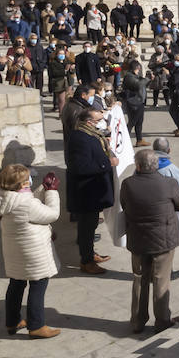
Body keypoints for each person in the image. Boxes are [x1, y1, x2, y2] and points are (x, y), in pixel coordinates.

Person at [121, 148, 179, 333]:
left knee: (140, 280)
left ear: (138, 166)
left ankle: (137, 321)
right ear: (156, 165)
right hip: (163, 241)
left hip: (138, 239)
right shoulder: (169, 183)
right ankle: (162, 321)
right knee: (161, 280)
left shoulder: (128, 184)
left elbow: (124, 204)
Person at [0, 163, 62, 338]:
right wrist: (52, 191)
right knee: (38, 283)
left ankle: (13, 321)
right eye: (26, 180)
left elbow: (26, 202)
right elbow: (52, 213)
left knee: (16, 284)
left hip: (14, 249)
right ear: (22, 185)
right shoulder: (27, 203)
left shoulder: (0, 197)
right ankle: (37, 325)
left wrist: (41, 189)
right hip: (33, 250)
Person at [65, 107, 116, 275]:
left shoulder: (89, 133)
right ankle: (86, 261)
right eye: (97, 121)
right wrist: (107, 164)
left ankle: (89, 253)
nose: (99, 124)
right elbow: (79, 167)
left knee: (91, 225)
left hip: (92, 190)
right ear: (88, 122)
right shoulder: (80, 138)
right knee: (86, 227)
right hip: (85, 192)